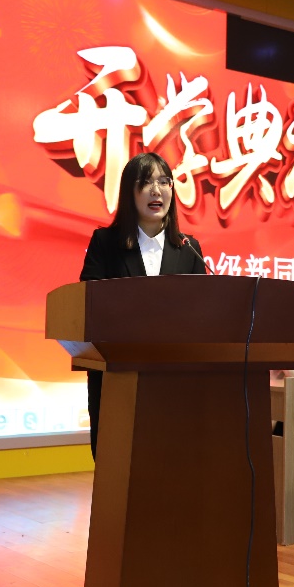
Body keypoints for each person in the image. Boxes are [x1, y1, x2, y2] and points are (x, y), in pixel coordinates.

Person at [79, 152, 207, 458]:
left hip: (173, 380)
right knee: (116, 459)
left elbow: (202, 313)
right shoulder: (105, 243)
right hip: (118, 376)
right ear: (129, 191)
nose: (156, 191)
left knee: (169, 461)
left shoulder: (188, 248)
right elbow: (88, 302)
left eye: (164, 182)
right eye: (146, 182)